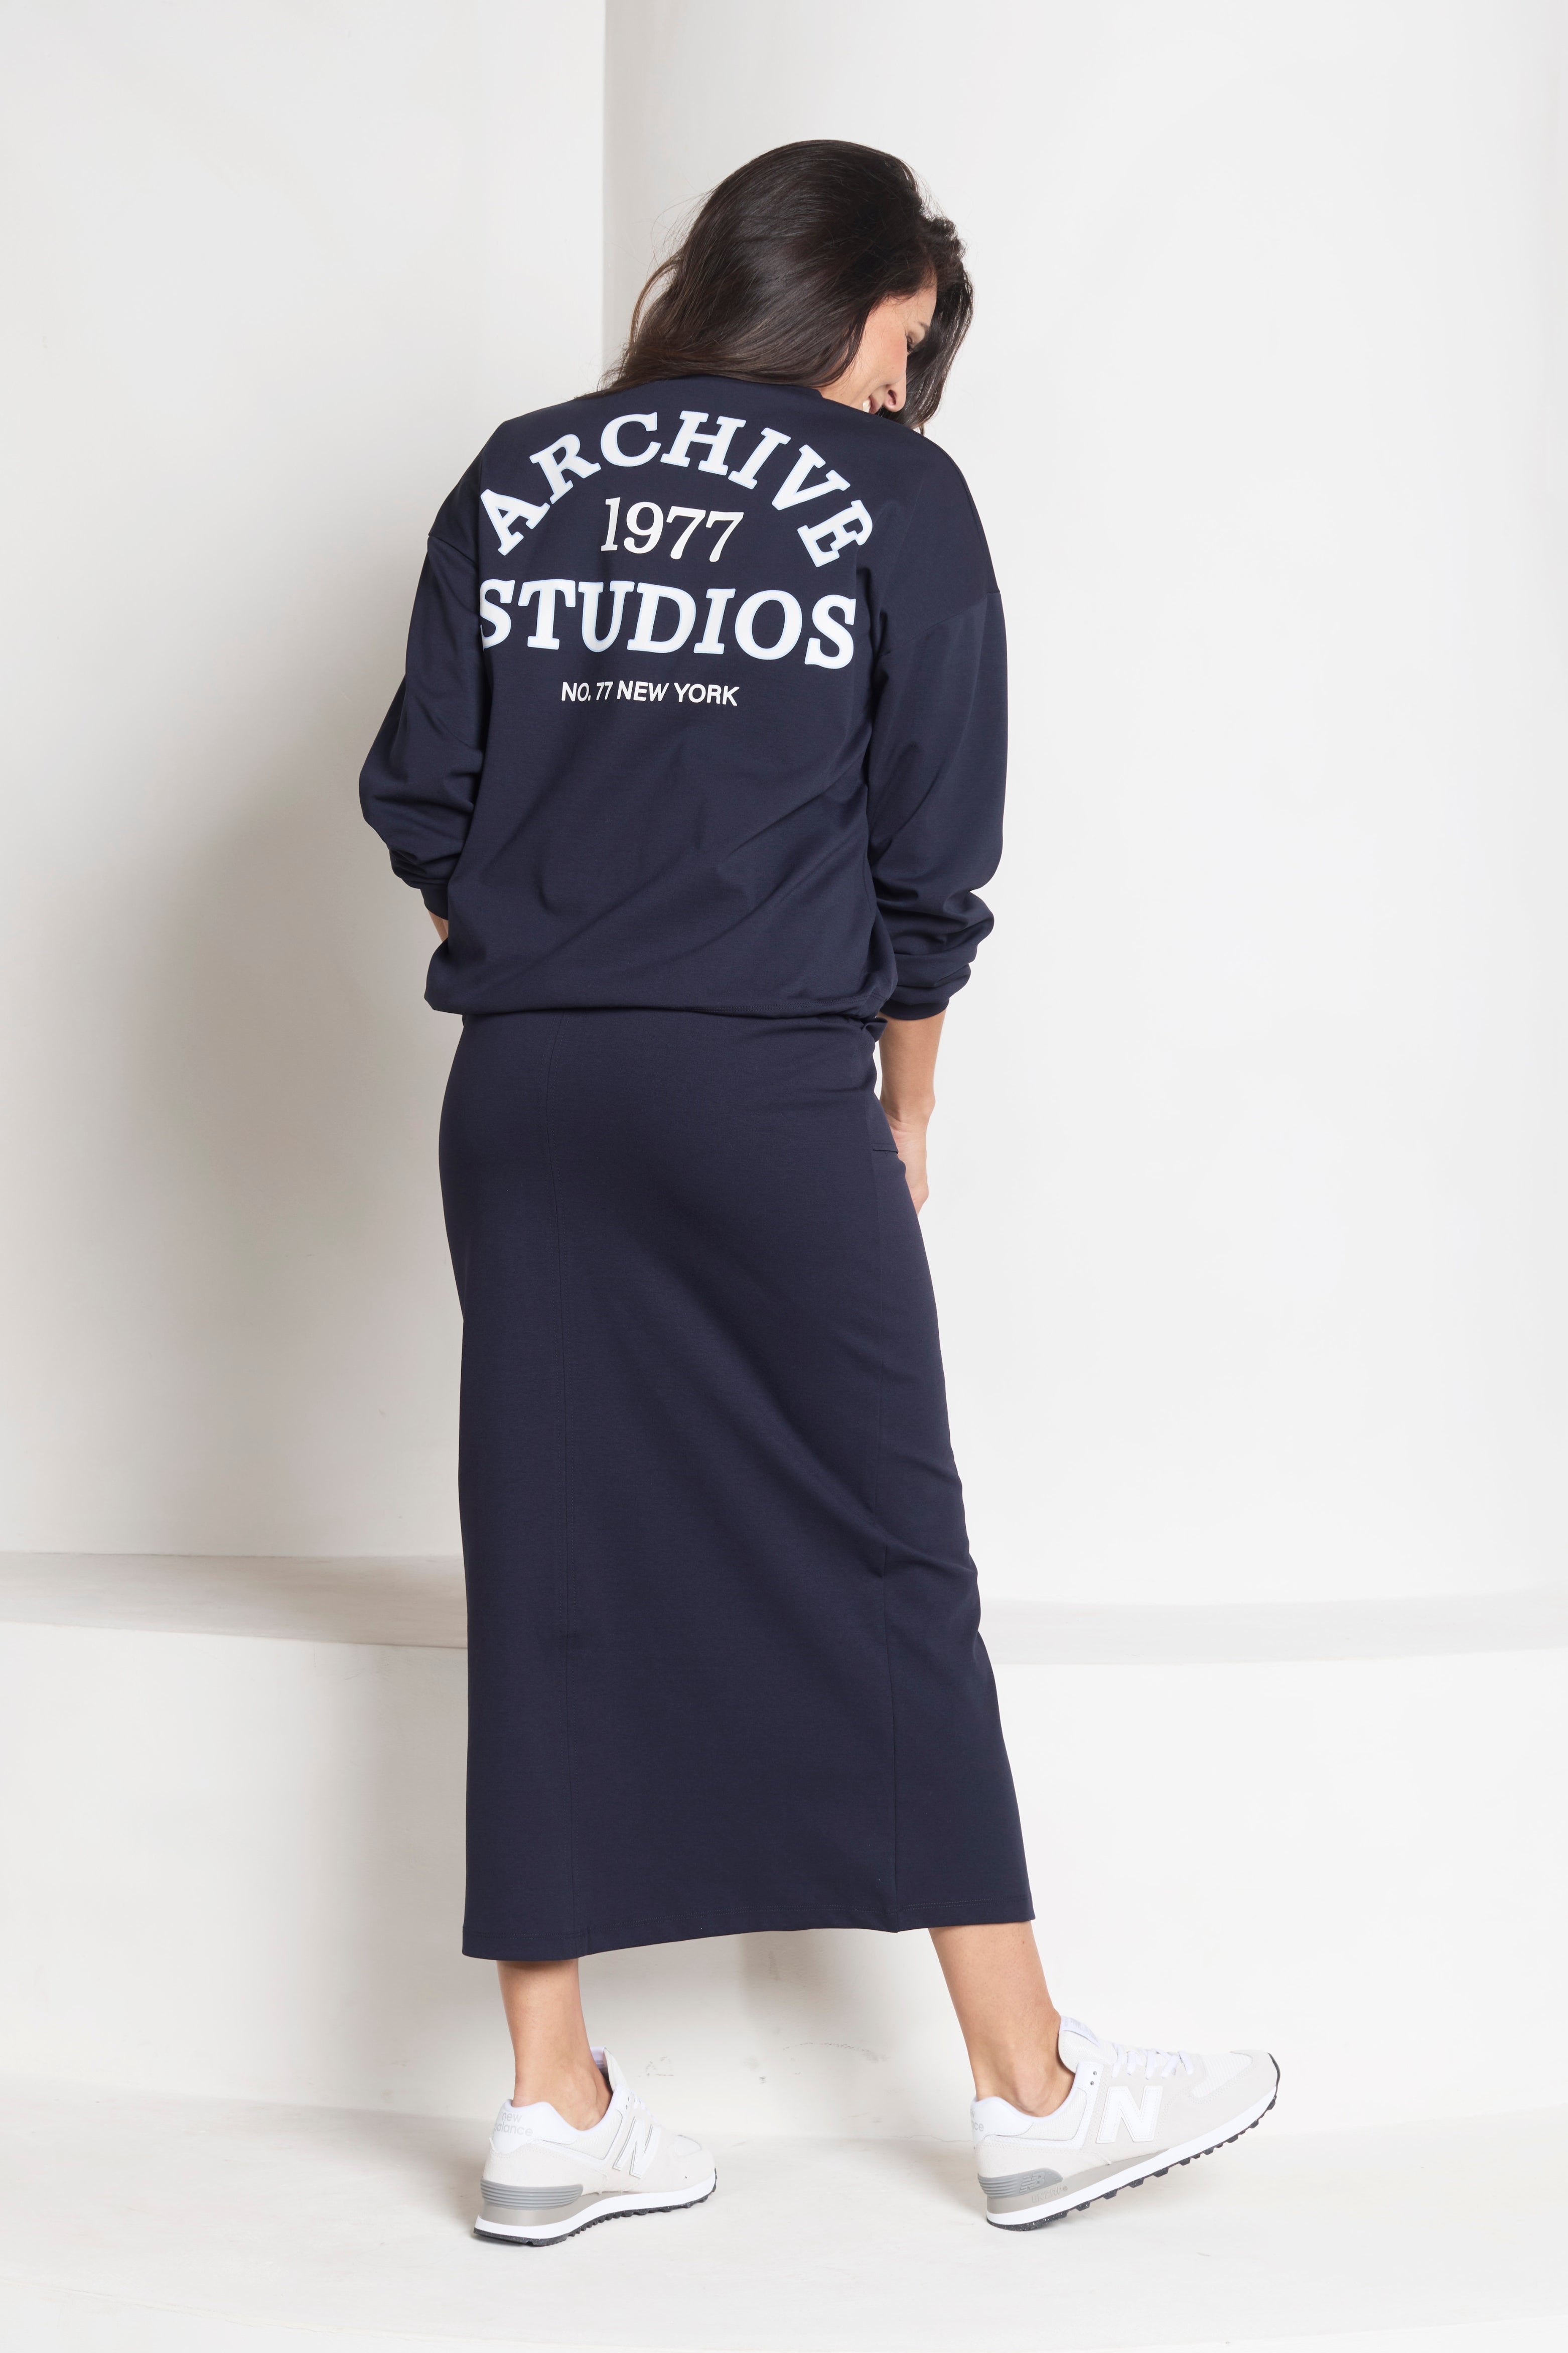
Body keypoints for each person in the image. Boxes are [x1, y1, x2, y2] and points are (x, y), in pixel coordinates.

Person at [361, 139, 1275, 2245]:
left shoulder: (521, 471)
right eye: (903, 341)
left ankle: (549, 2102)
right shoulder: (896, 498)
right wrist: (904, 1096)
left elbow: (421, 791)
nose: (899, 385)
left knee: (550, 1541)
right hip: (761, 1076)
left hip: (523, 1083)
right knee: (885, 1543)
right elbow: (929, 849)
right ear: (843, 293)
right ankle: (1033, 2092)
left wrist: (555, 947)